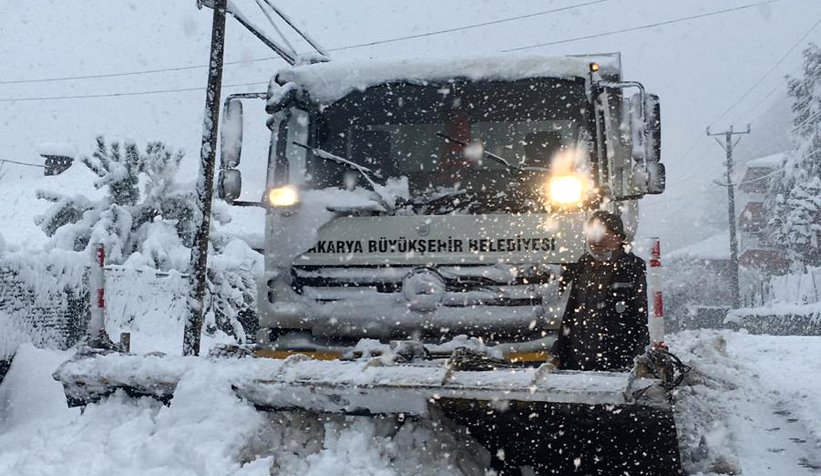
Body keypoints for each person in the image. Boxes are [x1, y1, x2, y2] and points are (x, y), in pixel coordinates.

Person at [551, 211, 649, 371]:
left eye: (603, 233)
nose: (597, 239)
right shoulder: (582, 266)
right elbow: (569, 317)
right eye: (592, 233)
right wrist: (558, 353)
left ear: (619, 237)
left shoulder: (633, 268)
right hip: (577, 365)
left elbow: (643, 322)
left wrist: (636, 363)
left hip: (617, 365)